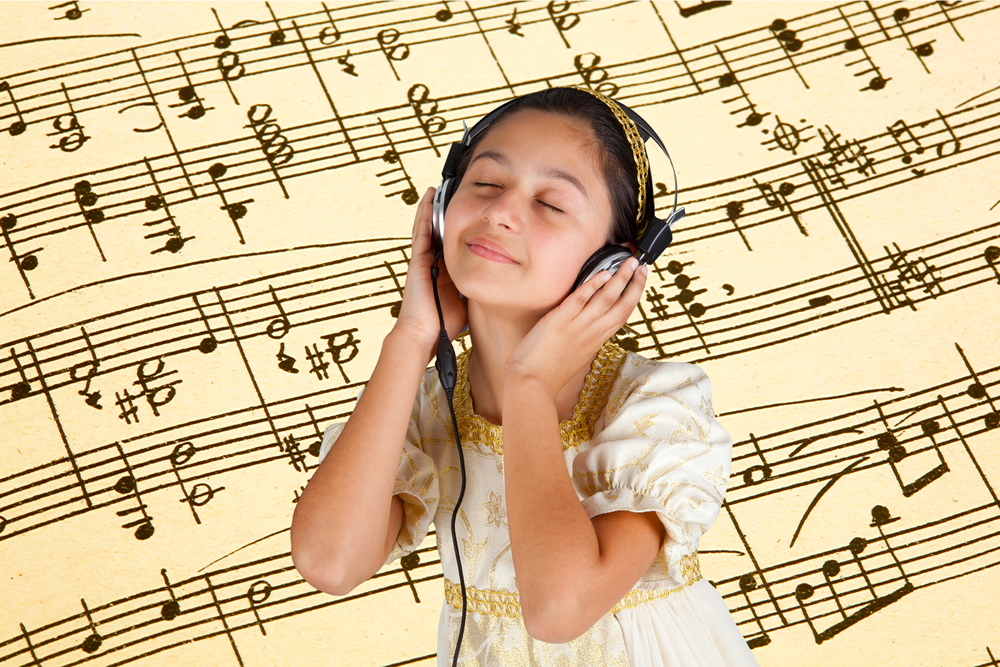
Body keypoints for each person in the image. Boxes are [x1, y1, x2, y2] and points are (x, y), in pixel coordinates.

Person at [290, 87, 760, 667]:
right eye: (486, 184)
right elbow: (329, 562)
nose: (501, 212)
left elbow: (559, 610)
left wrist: (529, 385)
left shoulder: (655, 406)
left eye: (552, 204)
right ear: (440, 211)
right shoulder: (425, 407)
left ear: (613, 265)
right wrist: (410, 337)